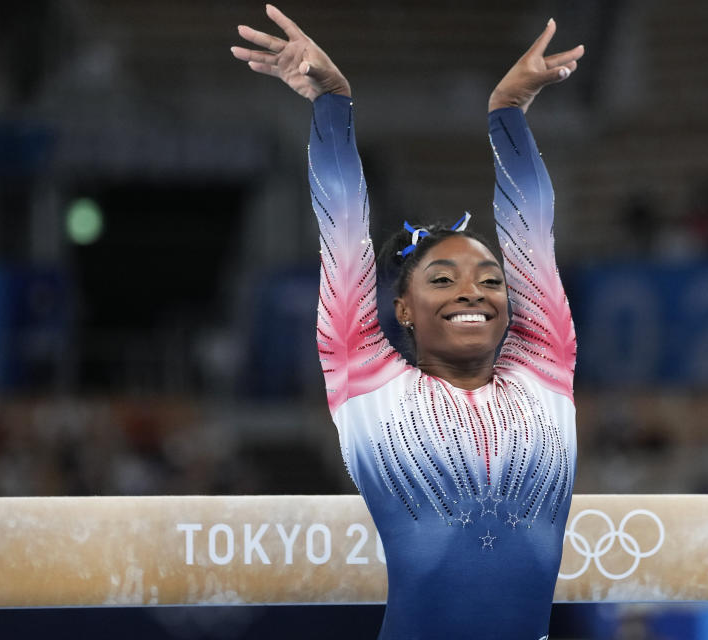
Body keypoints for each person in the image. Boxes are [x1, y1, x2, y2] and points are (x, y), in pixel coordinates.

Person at [232, 6, 583, 638]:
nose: (470, 292)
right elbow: (342, 230)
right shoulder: (366, 378)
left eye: (490, 279)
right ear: (403, 310)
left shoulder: (546, 367)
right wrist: (331, 103)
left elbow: (532, 232)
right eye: (442, 281)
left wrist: (508, 113)